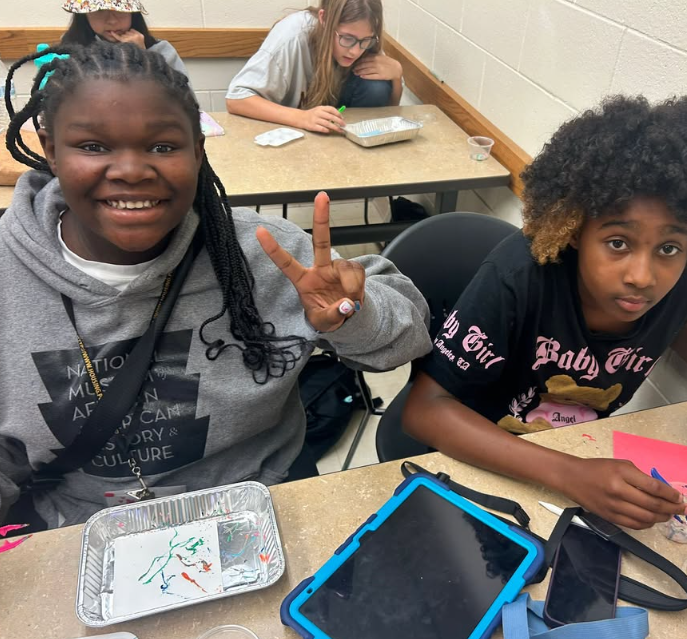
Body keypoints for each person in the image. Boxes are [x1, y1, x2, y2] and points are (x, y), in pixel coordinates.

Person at [0, 41, 430, 531]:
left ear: (199, 151)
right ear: (50, 149)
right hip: (81, 527)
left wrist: (357, 318)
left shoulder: (265, 252)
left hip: (263, 499)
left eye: (163, 146)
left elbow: (409, 336)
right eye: (93, 146)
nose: (132, 171)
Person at [402, 95, 687, 530]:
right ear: (575, 230)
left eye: (669, 248)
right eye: (618, 242)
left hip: (575, 453)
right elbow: (423, 410)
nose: (642, 276)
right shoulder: (519, 274)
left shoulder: (686, 289)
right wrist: (571, 475)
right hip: (477, 459)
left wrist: (580, 472)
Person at [226, 0, 403, 133]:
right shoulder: (292, 36)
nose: (355, 51)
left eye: (364, 40)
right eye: (347, 38)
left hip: (334, 126)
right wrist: (302, 117)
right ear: (324, 19)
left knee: (377, 87)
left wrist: (396, 77)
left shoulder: (366, 40)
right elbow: (236, 99)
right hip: (290, 126)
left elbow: (389, 110)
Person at [60, 0, 190, 79]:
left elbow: (184, 102)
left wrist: (142, 57)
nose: (112, 20)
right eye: (100, 10)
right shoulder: (69, 50)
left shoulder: (161, 50)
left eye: (120, 10)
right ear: (84, 16)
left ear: (133, 13)